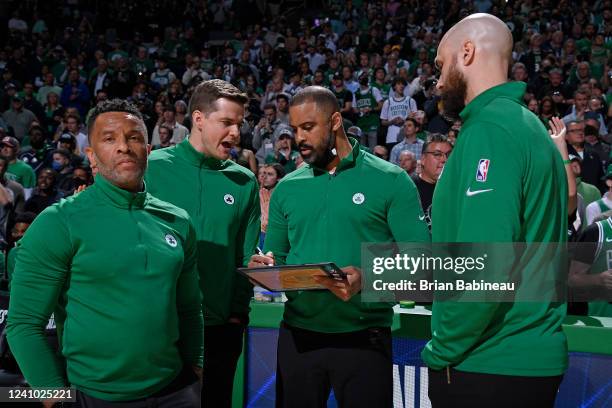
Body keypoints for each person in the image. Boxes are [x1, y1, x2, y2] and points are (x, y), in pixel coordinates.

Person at [7, 99, 203, 407]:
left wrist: (196, 367)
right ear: (91, 155)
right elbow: (23, 326)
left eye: (134, 137)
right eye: (109, 139)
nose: (124, 147)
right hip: (95, 396)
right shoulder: (59, 222)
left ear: (148, 151)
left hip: (177, 390)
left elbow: (190, 307)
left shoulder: (178, 220)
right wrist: (55, 399)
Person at [249, 86, 429, 407]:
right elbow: (278, 257)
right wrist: (267, 267)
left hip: (365, 337)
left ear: (334, 121)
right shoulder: (288, 187)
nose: (299, 138)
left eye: (308, 127)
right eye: (294, 129)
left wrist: (366, 277)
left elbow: (421, 262)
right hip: (298, 335)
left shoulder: (390, 179)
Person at [422, 13, 568, 407]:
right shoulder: (528, 126)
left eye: (440, 65)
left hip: (487, 362)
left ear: (466, 52)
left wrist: (441, 350)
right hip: (522, 358)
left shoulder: (490, 130)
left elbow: (485, 268)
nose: (437, 81)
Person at [145, 79, 260, 408]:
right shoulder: (152, 169)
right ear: (198, 119)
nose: (236, 133)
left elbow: (245, 255)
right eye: (226, 123)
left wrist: (237, 316)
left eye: (239, 124)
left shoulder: (244, 181)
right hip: (158, 328)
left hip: (219, 332)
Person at [413, 134, 453, 230]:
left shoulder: (456, 189)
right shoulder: (410, 188)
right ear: (423, 159)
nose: (444, 159)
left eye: (448, 155)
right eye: (437, 154)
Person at [259, 163, 285, 248]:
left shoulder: (282, 196)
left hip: (274, 236)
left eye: (270, 174)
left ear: (278, 178)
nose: (265, 177)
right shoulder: (259, 193)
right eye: (264, 173)